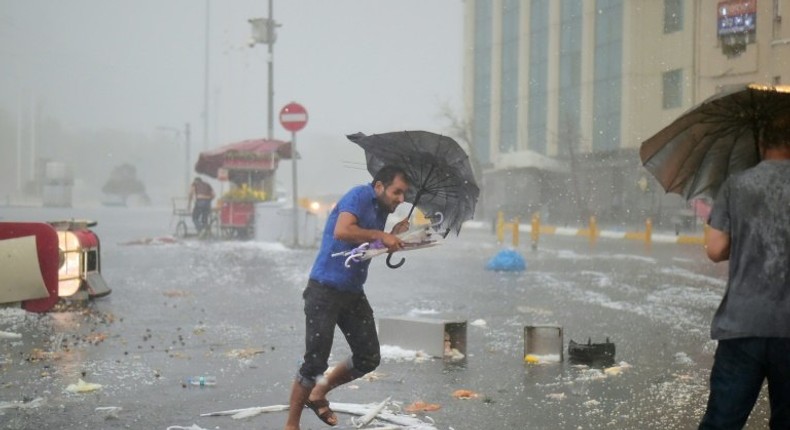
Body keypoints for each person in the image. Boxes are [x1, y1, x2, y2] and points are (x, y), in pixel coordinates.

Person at [284, 165, 410, 430]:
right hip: (324, 290)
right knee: (315, 361)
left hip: (352, 293)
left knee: (368, 357)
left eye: (404, 194)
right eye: (397, 192)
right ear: (379, 187)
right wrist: (380, 234)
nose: (401, 199)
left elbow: (363, 248)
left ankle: (319, 393)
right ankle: (291, 424)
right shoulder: (359, 195)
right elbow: (343, 231)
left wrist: (394, 236)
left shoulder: (380, 211)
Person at [698, 114, 790, 429]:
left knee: (722, 422)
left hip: (743, 324)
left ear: (762, 143)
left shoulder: (736, 184)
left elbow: (715, 249)